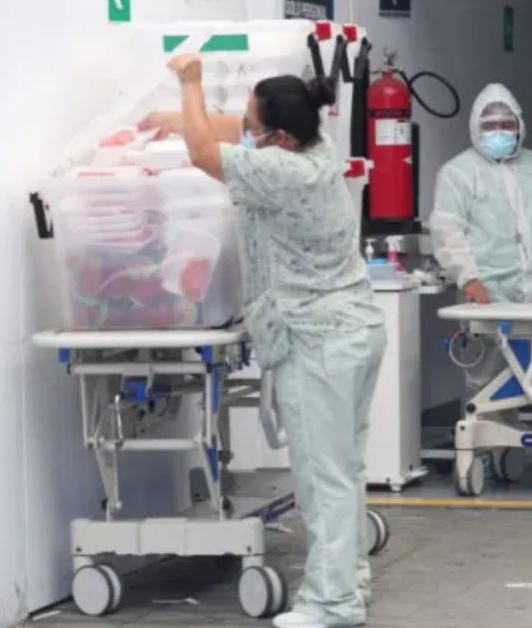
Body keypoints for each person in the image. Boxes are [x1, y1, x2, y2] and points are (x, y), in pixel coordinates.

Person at [141, 55, 385, 628]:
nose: (243, 127)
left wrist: (190, 83)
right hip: (351, 329)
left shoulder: (285, 173)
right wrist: (170, 117)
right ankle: (349, 581)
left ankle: (331, 604)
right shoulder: (313, 152)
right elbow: (227, 132)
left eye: (252, 122)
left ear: (277, 136)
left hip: (319, 338)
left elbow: (207, 154)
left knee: (323, 477)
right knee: (342, 470)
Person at [429, 83, 532, 406]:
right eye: (490, 126)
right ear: (475, 128)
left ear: (519, 125)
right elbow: (447, 230)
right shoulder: (458, 173)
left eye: (506, 124)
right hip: (489, 294)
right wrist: (469, 278)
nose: (499, 132)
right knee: (488, 381)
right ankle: (485, 452)